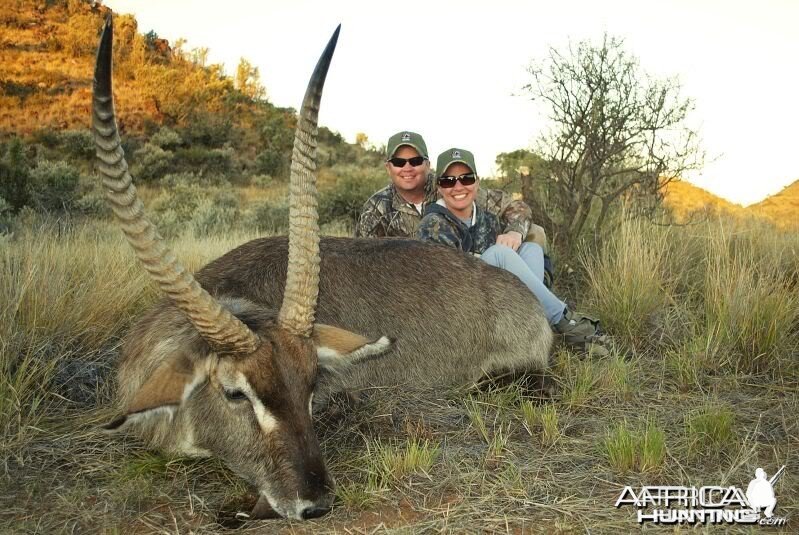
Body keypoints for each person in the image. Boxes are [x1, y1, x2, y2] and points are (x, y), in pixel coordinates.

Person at [417, 147, 608, 355]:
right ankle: (564, 320)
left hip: (501, 301)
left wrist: (514, 233)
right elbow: (448, 289)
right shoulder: (433, 225)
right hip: (465, 314)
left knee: (531, 248)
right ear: (439, 188)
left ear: (477, 182)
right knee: (499, 254)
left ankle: (538, 329)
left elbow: (521, 209)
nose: (458, 186)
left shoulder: (485, 210)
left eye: (466, 178)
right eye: (448, 181)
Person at [355, 132, 544, 265]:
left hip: (460, 274)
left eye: (415, 161)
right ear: (388, 167)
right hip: (408, 287)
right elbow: (361, 259)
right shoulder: (376, 208)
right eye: (398, 162)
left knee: (535, 234)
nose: (407, 168)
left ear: (427, 165)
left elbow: (516, 207)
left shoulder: (450, 186)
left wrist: (514, 232)